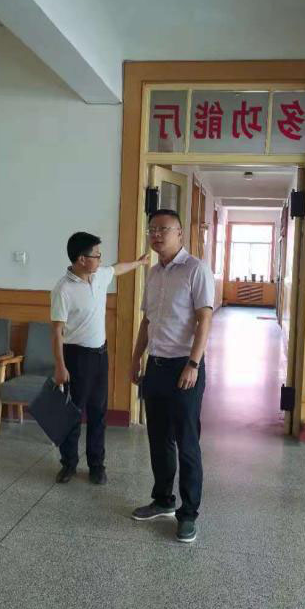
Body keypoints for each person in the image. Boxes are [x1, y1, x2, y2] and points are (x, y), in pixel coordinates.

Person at [130, 209, 214, 543]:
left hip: (184, 367)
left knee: (187, 442)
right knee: (158, 438)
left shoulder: (196, 269)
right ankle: (163, 499)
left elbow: (205, 319)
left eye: (163, 229)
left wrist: (193, 364)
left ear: (180, 233)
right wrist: (136, 358)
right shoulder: (153, 274)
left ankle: (188, 513)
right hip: (156, 366)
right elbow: (147, 321)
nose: (156, 234)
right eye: (152, 229)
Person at [50, 232, 148, 485]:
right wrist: (60, 366)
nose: (100, 259)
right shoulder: (63, 289)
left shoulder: (99, 275)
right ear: (82, 259)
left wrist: (139, 263)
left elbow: (117, 268)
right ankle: (69, 464)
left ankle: (96, 465)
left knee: (98, 413)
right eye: (97, 255)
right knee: (72, 413)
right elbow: (57, 331)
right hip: (75, 357)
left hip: (100, 356)